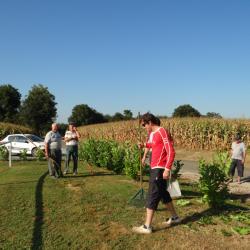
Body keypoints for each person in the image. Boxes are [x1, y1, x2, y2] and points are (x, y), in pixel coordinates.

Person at [132, 113, 180, 234]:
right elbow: (155, 145)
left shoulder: (162, 131)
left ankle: (147, 226)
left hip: (160, 168)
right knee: (163, 194)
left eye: (144, 125)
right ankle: (175, 217)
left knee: (152, 195)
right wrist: (144, 145)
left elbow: (171, 151)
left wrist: (167, 168)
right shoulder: (154, 134)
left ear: (150, 122)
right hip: (156, 167)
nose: (144, 127)